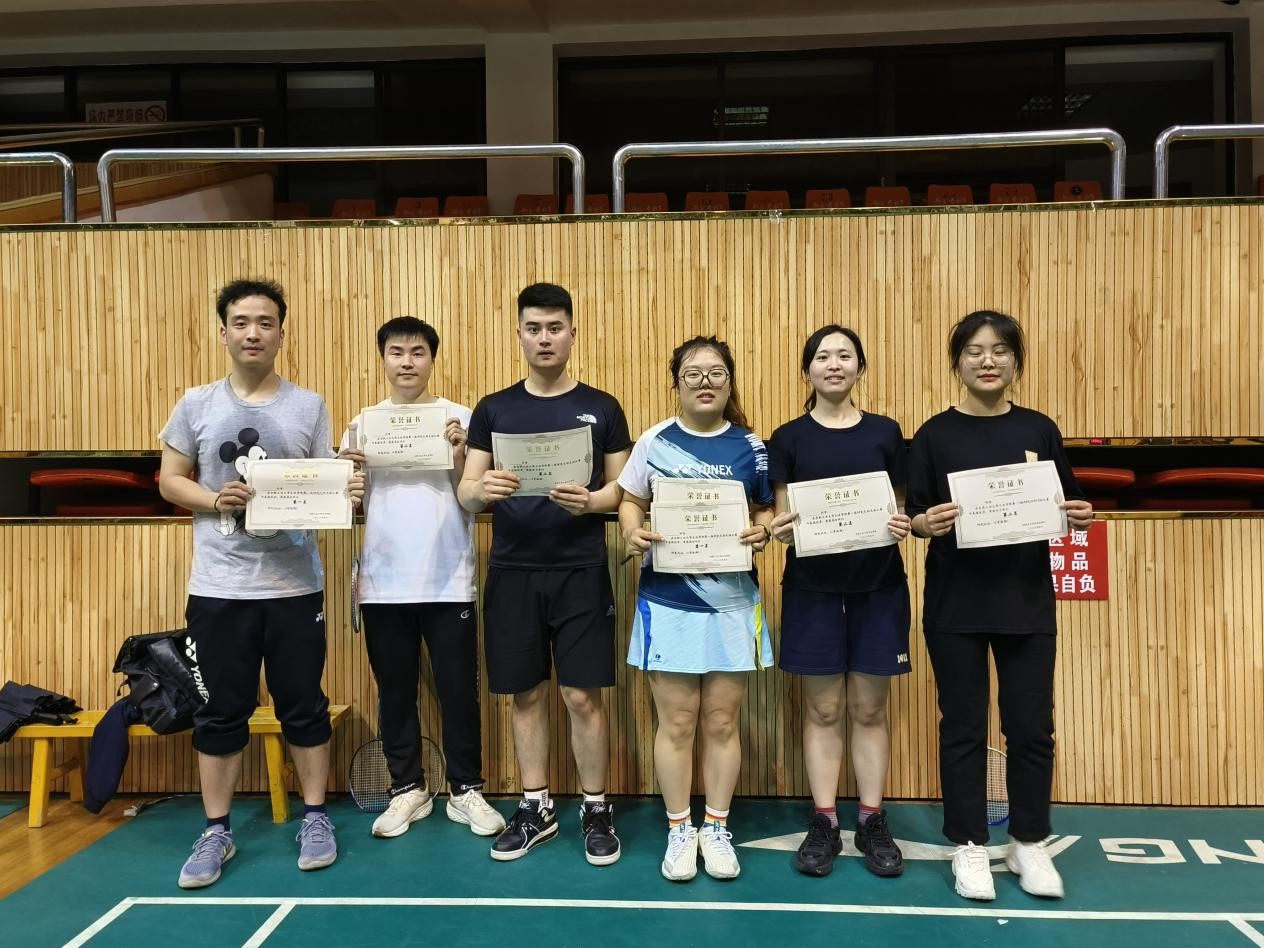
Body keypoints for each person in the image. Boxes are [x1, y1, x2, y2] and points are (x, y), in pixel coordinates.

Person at [158, 278, 365, 889]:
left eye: (266, 322)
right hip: (220, 587)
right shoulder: (196, 403)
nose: (254, 333)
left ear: (281, 333)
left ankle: (316, 817)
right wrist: (214, 500)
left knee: (304, 704)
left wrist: (347, 489)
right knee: (221, 711)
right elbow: (170, 479)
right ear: (223, 331)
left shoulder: (309, 405)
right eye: (242, 322)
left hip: (295, 586)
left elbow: (323, 485)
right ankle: (215, 830)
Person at [906, 310, 1093, 902]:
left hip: (1026, 601)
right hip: (955, 604)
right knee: (963, 726)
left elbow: (1068, 501)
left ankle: (1029, 841)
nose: (988, 361)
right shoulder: (934, 434)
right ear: (957, 361)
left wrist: (1080, 513)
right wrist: (926, 523)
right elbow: (913, 515)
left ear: (1016, 361)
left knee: (1032, 728)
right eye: (975, 351)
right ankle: (968, 844)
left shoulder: (1039, 429)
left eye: (1000, 351)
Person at [458, 282, 631, 866]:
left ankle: (596, 807)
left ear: (572, 334)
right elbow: (466, 492)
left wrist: (593, 501)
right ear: (519, 335)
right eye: (533, 328)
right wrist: (482, 488)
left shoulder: (602, 407)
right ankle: (536, 807)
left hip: (581, 569)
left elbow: (622, 489)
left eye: (555, 328)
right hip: (512, 570)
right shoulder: (494, 408)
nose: (545, 338)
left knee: (582, 695)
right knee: (526, 694)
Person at [338, 316, 505, 840]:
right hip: (384, 582)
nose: (406, 362)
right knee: (394, 692)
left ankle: (465, 789)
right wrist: (348, 485)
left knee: (459, 692)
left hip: (448, 578)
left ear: (432, 359)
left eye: (417, 352)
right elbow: (349, 508)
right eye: (396, 352)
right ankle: (407, 789)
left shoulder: (461, 418)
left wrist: (458, 457)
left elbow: (474, 499)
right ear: (383, 359)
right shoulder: (362, 425)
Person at [619, 335, 774, 883]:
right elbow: (630, 500)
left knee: (722, 720)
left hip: (732, 602)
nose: (705, 382)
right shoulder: (654, 440)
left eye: (716, 373)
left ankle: (717, 827)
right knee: (678, 721)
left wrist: (762, 530)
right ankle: (680, 828)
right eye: (693, 373)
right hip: (668, 601)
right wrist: (632, 532)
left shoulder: (751, 446)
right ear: (677, 383)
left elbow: (766, 508)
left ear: (730, 382)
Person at [767, 325, 912, 879]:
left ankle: (872, 818)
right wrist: (780, 530)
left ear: (859, 367)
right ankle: (824, 819)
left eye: (844, 355)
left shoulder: (885, 432)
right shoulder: (788, 438)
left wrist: (901, 522)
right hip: (812, 590)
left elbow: (900, 506)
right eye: (823, 356)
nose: (834, 364)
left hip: (878, 586)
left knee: (870, 709)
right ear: (807, 370)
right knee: (824, 709)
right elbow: (782, 513)